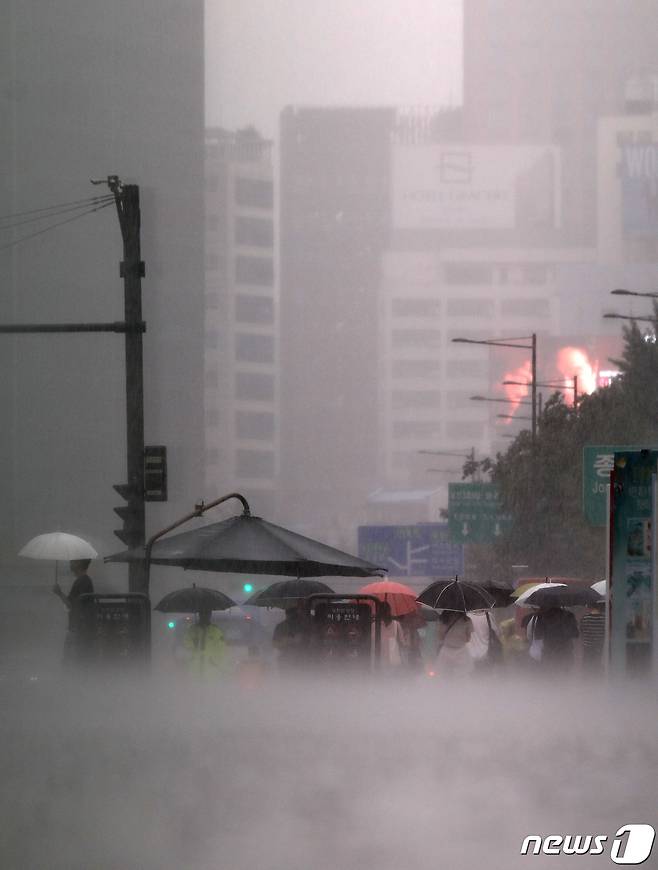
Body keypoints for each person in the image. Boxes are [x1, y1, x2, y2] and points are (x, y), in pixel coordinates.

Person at [53, 559, 94, 661]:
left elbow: (70, 604)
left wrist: (59, 593)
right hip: (81, 628)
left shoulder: (81, 582)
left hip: (78, 628)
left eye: (73, 561)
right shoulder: (86, 580)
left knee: (71, 659)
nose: (70, 563)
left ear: (79, 563)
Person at [532, 606, 579, 671]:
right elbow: (575, 634)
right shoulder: (569, 615)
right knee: (565, 677)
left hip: (549, 653)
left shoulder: (542, 616)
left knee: (550, 677)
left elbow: (538, 635)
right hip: (565, 652)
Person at [183, 609, 227, 677]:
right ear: (199, 615)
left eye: (207, 614)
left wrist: (215, 661)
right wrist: (193, 643)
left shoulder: (216, 631)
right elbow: (185, 646)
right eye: (202, 613)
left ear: (210, 615)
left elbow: (222, 650)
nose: (204, 616)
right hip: (194, 673)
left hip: (211, 674)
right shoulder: (192, 630)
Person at [272, 602, 310, 670]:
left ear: (286, 614)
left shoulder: (280, 626)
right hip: (297, 660)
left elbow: (275, 643)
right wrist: (290, 640)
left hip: (290, 660)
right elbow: (275, 643)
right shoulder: (303, 626)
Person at [436, 611, 474, 678]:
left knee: (444, 677)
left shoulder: (442, 619)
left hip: (446, 652)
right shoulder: (467, 620)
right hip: (461, 652)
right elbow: (468, 639)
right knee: (460, 678)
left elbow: (440, 637)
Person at [580, 602, 605, 673]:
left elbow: (582, 631)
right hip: (599, 646)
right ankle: (596, 678)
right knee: (597, 663)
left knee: (588, 664)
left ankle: (588, 679)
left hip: (587, 646)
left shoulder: (585, 618)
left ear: (590, 608)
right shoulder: (604, 618)